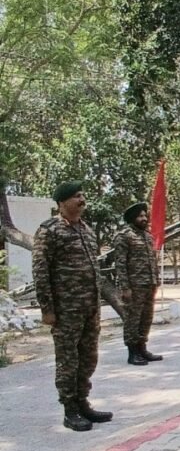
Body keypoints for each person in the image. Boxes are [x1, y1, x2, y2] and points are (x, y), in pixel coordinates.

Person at [32, 181, 112, 431]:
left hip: (89, 307)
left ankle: (83, 402)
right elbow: (40, 270)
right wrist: (47, 309)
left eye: (82, 195)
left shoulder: (86, 230)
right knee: (68, 359)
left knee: (88, 357)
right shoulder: (49, 230)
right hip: (66, 309)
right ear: (62, 202)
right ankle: (70, 410)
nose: (82, 199)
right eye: (76, 196)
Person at [112, 202, 162, 366]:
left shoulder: (147, 236)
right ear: (132, 218)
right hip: (134, 286)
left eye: (144, 215)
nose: (144, 218)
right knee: (133, 319)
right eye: (140, 216)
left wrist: (156, 279)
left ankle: (142, 348)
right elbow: (120, 264)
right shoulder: (124, 236)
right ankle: (132, 352)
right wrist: (125, 287)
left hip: (149, 284)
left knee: (146, 318)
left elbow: (152, 260)